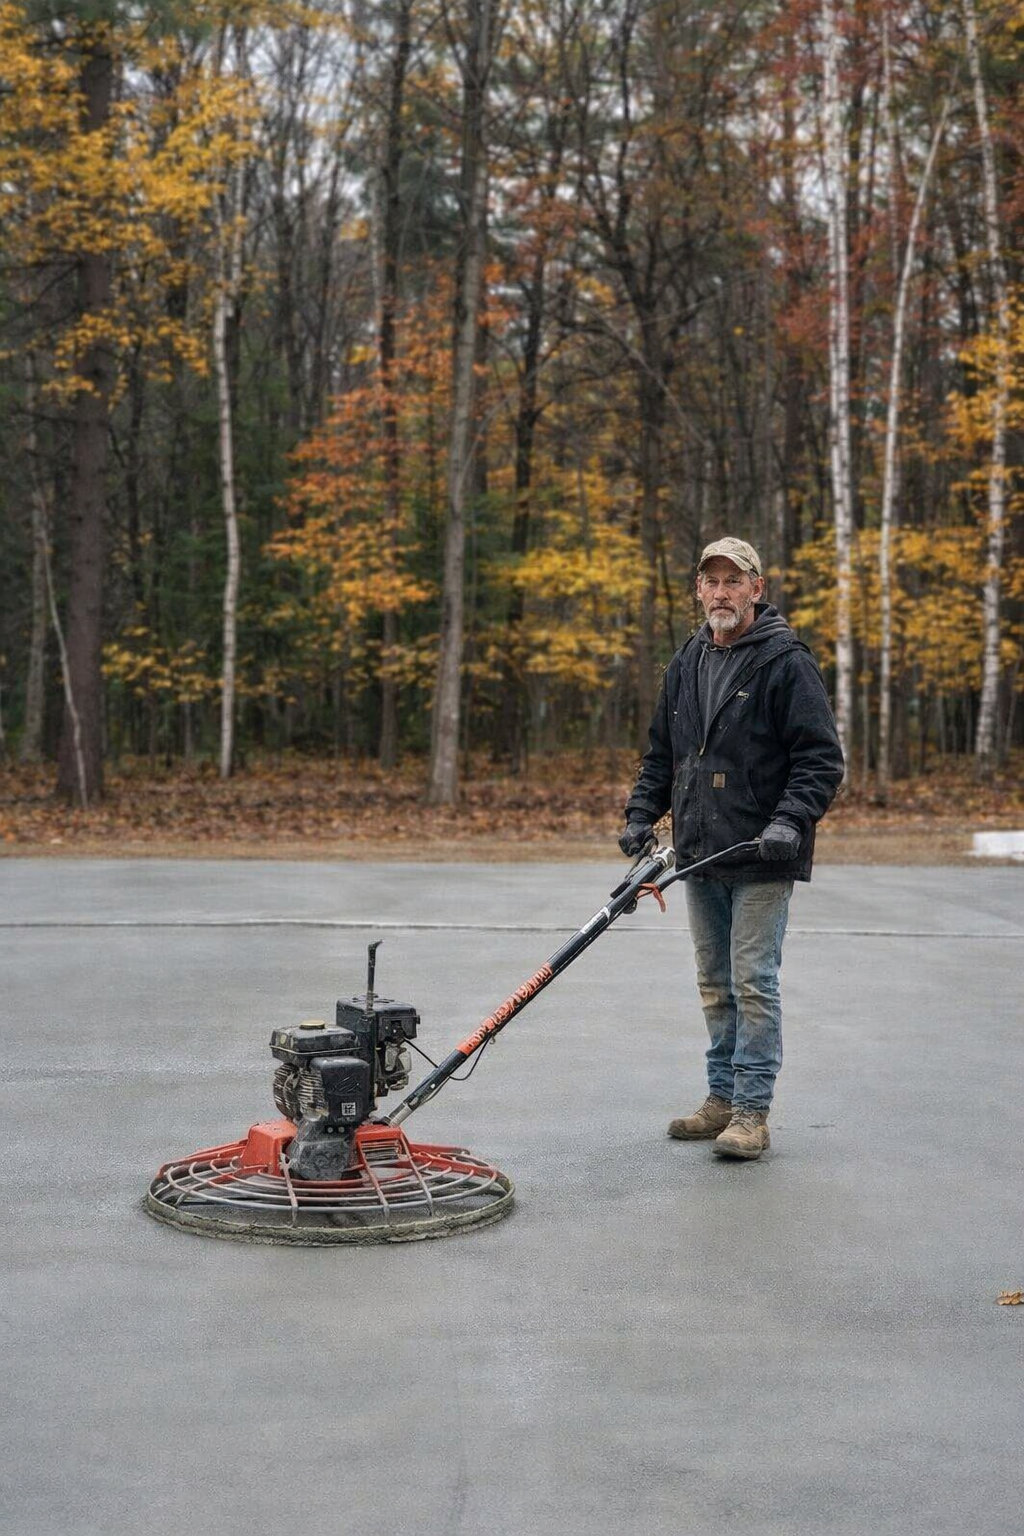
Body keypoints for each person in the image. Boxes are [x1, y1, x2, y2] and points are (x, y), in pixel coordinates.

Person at [620, 537, 844, 1160]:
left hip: (762, 853)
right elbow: (663, 755)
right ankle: (720, 1097)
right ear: (698, 590)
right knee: (715, 984)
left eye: (733, 581)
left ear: (756, 589)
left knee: (752, 983)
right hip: (701, 852)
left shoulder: (784, 661)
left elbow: (820, 760)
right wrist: (642, 815)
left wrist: (790, 823)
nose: (721, 592)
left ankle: (751, 1112)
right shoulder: (687, 660)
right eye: (710, 582)